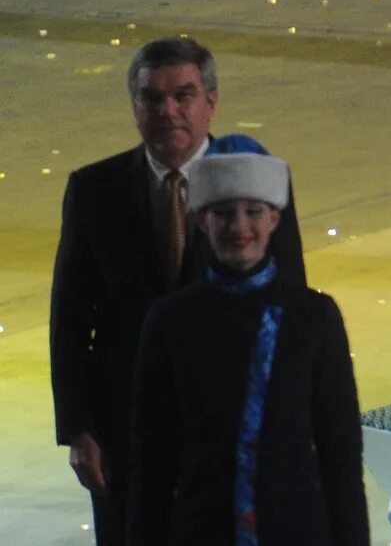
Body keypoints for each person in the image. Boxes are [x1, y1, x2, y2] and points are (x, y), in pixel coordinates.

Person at [51, 38, 306, 546]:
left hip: (231, 428)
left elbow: (288, 307)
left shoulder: (259, 184)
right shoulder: (94, 190)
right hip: (124, 435)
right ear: (134, 108)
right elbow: (70, 320)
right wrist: (79, 430)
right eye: (152, 98)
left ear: (211, 102)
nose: (168, 111)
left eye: (183, 96)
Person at [128, 153, 368, 545]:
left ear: (274, 218)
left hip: (297, 532)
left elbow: (339, 451)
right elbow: (152, 458)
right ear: (203, 221)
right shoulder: (171, 321)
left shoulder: (314, 317)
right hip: (202, 531)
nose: (239, 226)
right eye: (223, 213)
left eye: (253, 211)